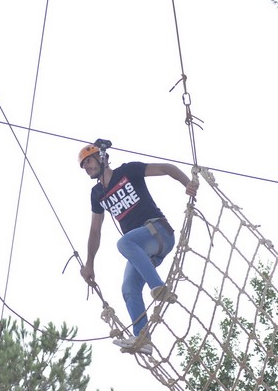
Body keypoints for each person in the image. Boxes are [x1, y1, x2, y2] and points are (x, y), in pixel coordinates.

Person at [78, 140, 198, 354]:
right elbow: (95, 230)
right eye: (84, 166)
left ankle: (159, 288)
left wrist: (187, 182)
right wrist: (89, 264)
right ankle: (143, 339)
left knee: (124, 242)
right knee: (129, 289)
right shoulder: (96, 194)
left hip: (158, 232)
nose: (87, 167)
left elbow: (166, 168)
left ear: (102, 158)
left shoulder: (128, 171)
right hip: (144, 251)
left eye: (89, 161)